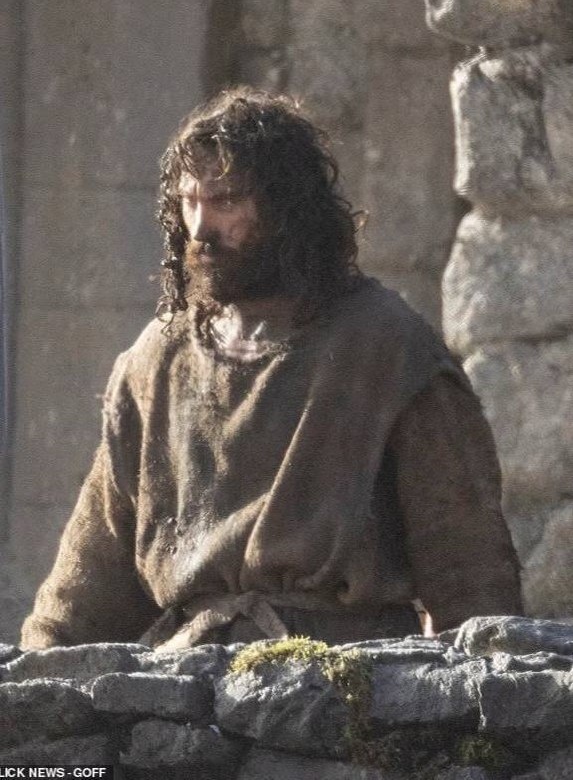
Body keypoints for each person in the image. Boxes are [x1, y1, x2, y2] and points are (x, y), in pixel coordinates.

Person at [21, 88, 522, 651]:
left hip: (348, 671)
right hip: (189, 672)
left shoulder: (386, 347)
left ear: (285, 208)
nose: (201, 227)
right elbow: (91, 580)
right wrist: (35, 676)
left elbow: (466, 563)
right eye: (189, 201)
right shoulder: (157, 361)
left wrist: (491, 678)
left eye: (225, 201)